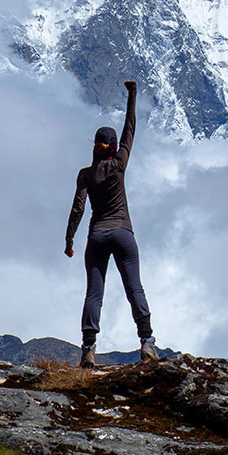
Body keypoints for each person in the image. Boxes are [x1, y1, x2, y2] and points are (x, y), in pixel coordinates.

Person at [65, 79, 158, 369]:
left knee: (94, 293)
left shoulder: (85, 174)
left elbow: (78, 208)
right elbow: (131, 127)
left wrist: (69, 241)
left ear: (95, 146)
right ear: (113, 146)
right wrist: (133, 94)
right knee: (135, 288)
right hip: (123, 233)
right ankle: (146, 343)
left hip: (97, 236)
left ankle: (88, 350)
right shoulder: (119, 163)